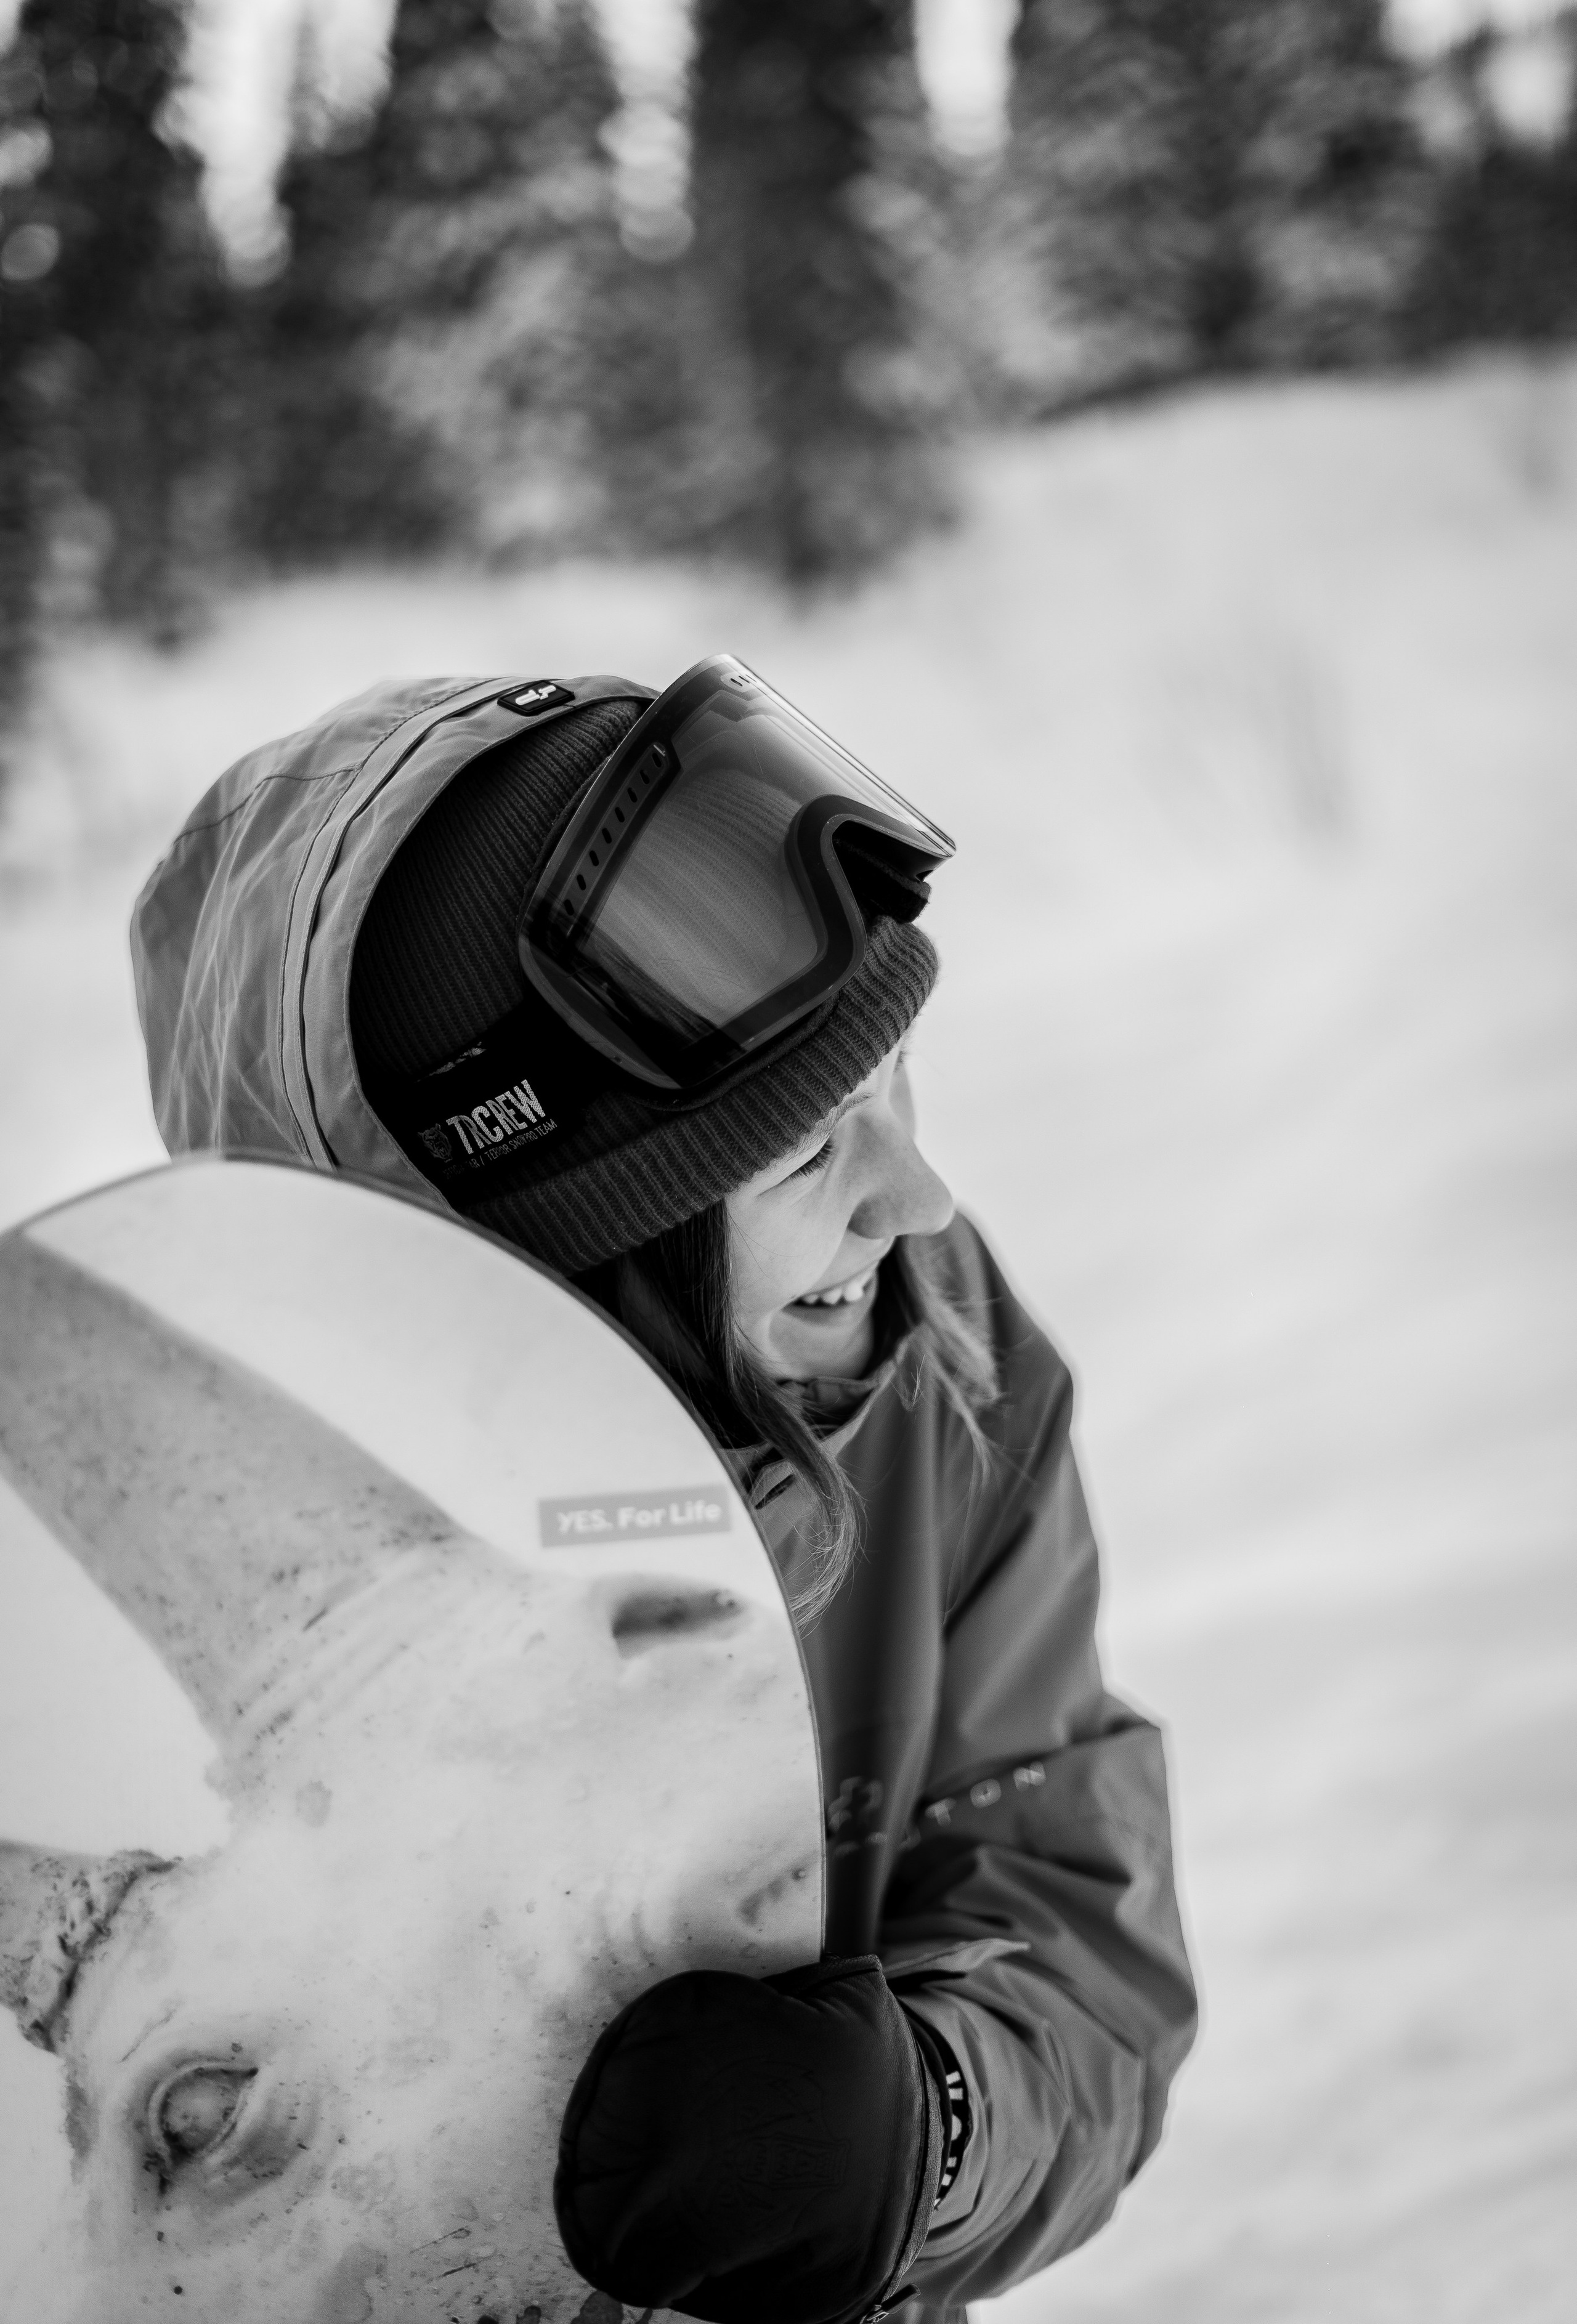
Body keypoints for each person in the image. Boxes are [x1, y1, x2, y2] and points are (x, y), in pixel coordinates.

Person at [131, 654, 1197, 2324]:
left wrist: (925, 2132)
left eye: (893, 1090)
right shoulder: (120, 1559)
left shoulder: (941, 1374)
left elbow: (1065, 1891)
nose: (912, 1203)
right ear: (549, 1254)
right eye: (803, 1149)